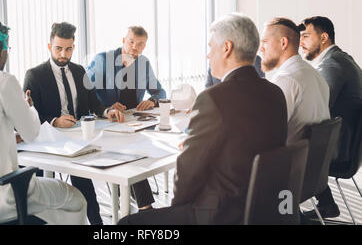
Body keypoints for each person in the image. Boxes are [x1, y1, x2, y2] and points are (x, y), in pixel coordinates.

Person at [118, 13, 288, 225]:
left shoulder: (213, 99)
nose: (208, 55)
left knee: (126, 224)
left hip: (221, 213)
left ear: (226, 48)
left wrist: (176, 211)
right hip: (264, 208)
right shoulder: (276, 93)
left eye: (210, 47)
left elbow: (188, 173)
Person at [0, 17, 87, 225]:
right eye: (6, 47)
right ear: (0, 50)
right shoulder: (2, 81)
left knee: (53, 211)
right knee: (75, 200)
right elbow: (31, 133)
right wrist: (29, 106)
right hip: (3, 196)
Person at [23, 22, 124, 225]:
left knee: (85, 183)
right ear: (49, 46)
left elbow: (93, 101)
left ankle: (98, 225)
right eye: (58, 48)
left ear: (73, 48)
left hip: (79, 139)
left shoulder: (79, 71)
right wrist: (54, 121)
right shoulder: (34, 75)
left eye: (68, 49)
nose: (63, 54)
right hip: (50, 142)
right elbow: (29, 115)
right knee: (41, 189)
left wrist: (107, 111)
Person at [86, 26, 166, 212]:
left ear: (144, 47)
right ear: (123, 41)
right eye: (131, 42)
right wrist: (106, 108)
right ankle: (145, 208)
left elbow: (160, 91)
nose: (134, 47)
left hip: (132, 123)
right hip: (107, 123)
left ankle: (138, 200)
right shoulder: (103, 60)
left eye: (140, 44)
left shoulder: (143, 64)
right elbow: (86, 93)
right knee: (132, 153)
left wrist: (152, 100)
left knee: (138, 150)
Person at [299, 16, 362, 220]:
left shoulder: (333, 64)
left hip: (337, 150)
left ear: (324, 37)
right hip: (348, 147)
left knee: (283, 154)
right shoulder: (343, 59)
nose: (301, 43)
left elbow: (318, 107)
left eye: (306, 36)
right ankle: (325, 203)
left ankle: (286, 213)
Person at [259, 17, 330, 145]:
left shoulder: (286, 80)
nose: (261, 49)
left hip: (289, 163)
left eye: (265, 42)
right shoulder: (315, 74)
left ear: (283, 43)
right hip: (311, 163)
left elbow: (266, 135)